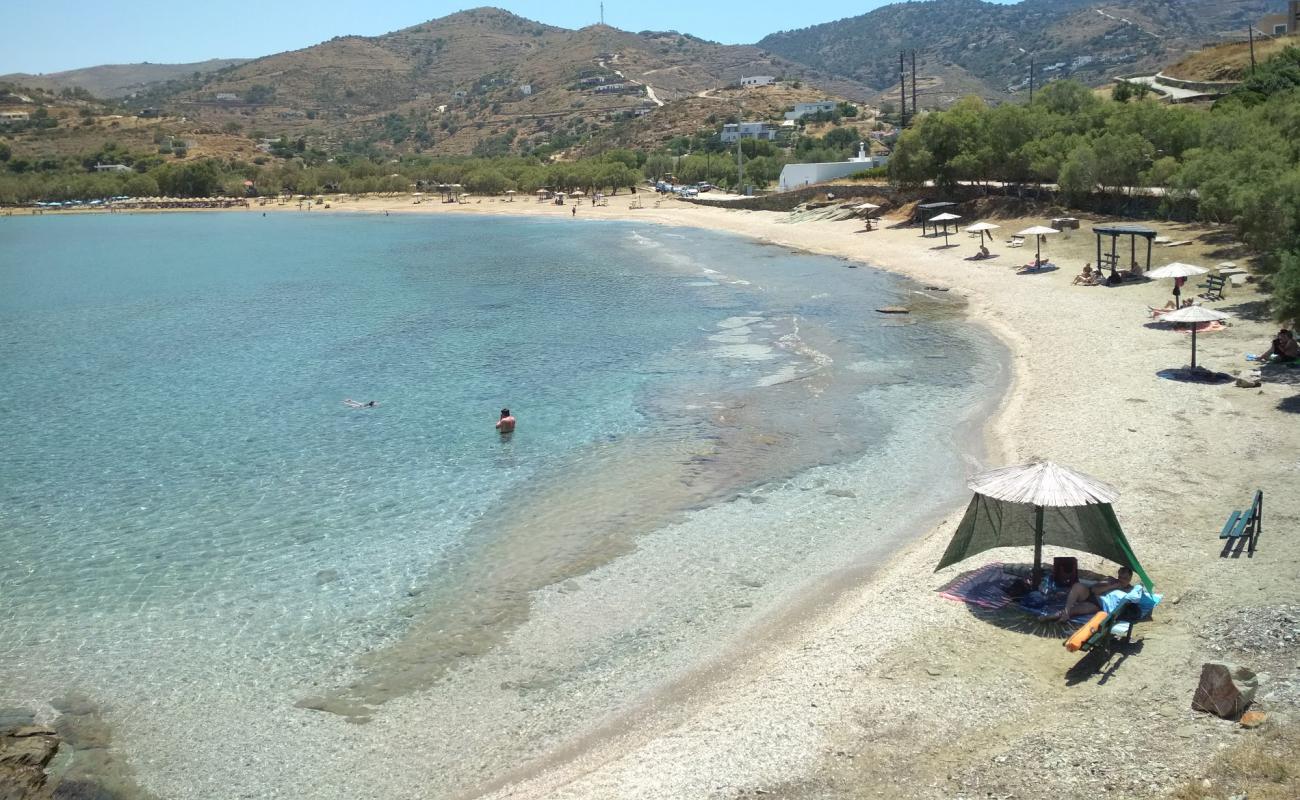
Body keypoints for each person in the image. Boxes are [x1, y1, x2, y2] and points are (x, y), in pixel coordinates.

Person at [1051, 567, 1134, 622]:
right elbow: (1094, 590)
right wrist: (1110, 586)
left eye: (1125, 578)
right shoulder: (1111, 580)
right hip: (1089, 595)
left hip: (1097, 604)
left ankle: (1049, 617)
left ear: (1130, 578)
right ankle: (1066, 611)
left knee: (1075, 610)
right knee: (1077, 586)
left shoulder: (1129, 591)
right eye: (1120, 577)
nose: (1122, 580)